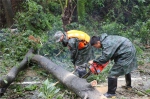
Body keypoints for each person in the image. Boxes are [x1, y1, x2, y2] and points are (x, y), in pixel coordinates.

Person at [89, 33, 138, 98]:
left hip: (126, 52)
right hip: (127, 49)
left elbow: (105, 57)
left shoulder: (106, 43)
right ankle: (128, 86)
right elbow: (111, 52)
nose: (96, 48)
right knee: (126, 68)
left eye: (95, 46)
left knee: (112, 73)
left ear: (98, 42)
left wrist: (94, 61)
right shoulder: (106, 40)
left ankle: (111, 93)